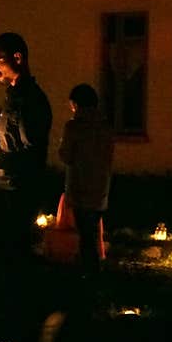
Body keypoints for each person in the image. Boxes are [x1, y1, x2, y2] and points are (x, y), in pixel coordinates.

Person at [0, 32, 53, 259]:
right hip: (4, 190)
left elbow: (32, 155)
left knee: (13, 256)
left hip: (17, 195)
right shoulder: (13, 97)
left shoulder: (30, 100)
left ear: (17, 57)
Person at [57, 83, 113, 276]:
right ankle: (92, 270)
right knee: (92, 233)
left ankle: (89, 274)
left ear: (76, 104)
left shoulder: (74, 126)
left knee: (85, 235)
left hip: (80, 187)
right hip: (100, 188)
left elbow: (65, 156)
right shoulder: (105, 127)